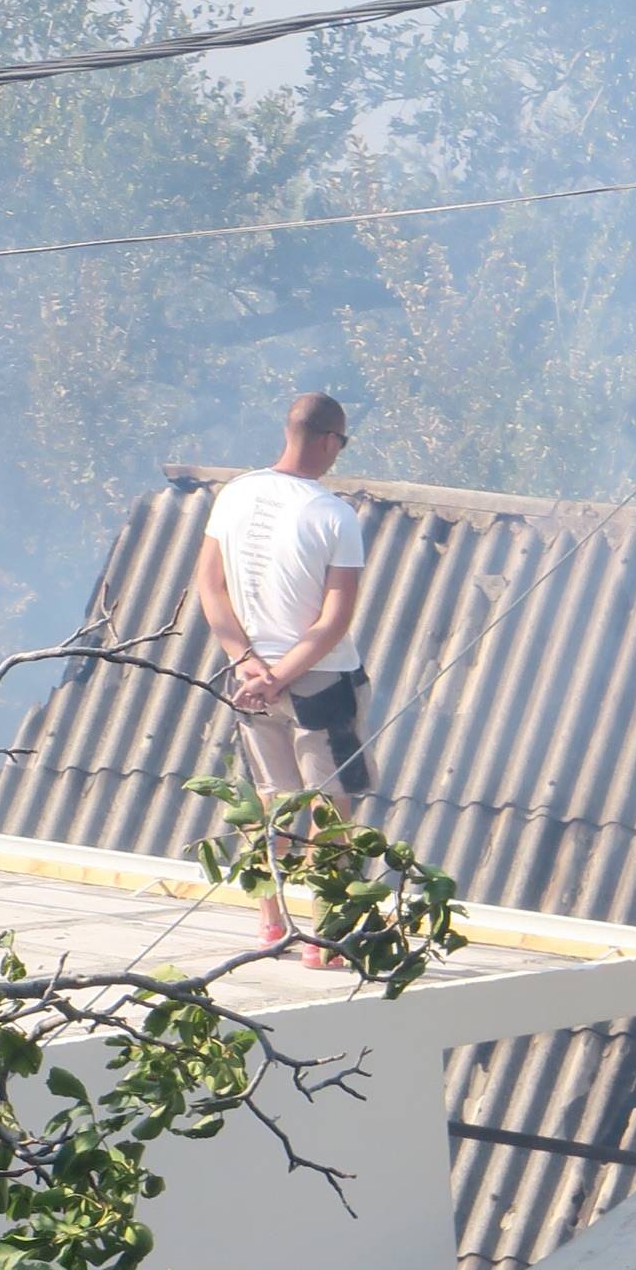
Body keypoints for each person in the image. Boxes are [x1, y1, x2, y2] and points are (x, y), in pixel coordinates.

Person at [194, 393, 371, 962]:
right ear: (328, 442)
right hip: (320, 683)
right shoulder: (334, 515)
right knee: (330, 806)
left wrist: (247, 661)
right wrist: (284, 674)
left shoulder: (235, 493)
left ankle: (271, 927)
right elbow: (335, 619)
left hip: (248, 679)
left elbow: (209, 587)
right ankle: (323, 938)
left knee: (267, 801)